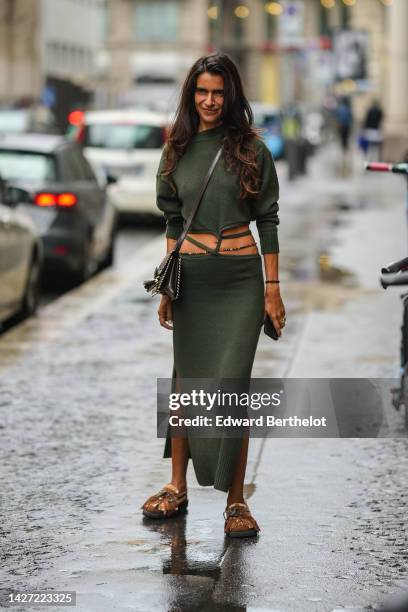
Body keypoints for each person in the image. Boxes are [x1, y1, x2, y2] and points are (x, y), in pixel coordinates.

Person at [141, 53, 285, 538]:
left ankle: (237, 500)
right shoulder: (176, 148)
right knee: (185, 385)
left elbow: (268, 218)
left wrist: (273, 289)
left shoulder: (250, 149)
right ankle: (176, 486)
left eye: (218, 93)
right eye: (201, 91)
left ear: (231, 96)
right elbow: (173, 222)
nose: (208, 100)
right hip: (194, 280)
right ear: (191, 94)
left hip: (241, 282)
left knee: (233, 388)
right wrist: (167, 285)